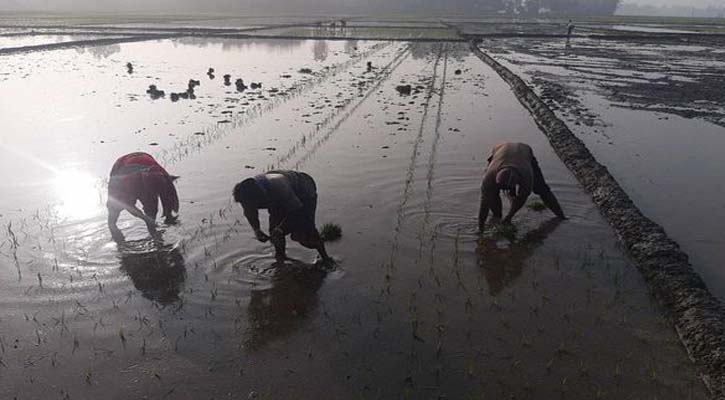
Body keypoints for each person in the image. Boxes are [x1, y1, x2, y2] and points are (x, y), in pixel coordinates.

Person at [233, 170, 331, 263]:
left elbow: (296, 210)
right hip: (278, 198)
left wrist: (281, 228)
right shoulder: (245, 195)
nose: (249, 206)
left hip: (304, 190)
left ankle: (325, 258)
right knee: (274, 233)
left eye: (252, 204)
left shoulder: (279, 186)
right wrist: (257, 230)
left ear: (259, 197)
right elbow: (250, 213)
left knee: (303, 234)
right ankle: (281, 258)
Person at [478, 142, 565, 231]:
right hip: (499, 151)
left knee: (542, 189)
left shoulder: (527, 175)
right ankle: (497, 216)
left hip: (524, 152)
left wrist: (509, 216)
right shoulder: (490, 176)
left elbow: (521, 198)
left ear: (518, 181)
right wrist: (480, 227)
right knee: (491, 194)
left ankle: (561, 217)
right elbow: (484, 203)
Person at [107, 152, 179, 241]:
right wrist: (145, 219)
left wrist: (168, 215)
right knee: (113, 209)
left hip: (147, 164)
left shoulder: (160, 176)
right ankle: (117, 236)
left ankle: (156, 239)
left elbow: (168, 194)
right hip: (122, 167)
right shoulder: (126, 183)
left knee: (151, 210)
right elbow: (127, 205)